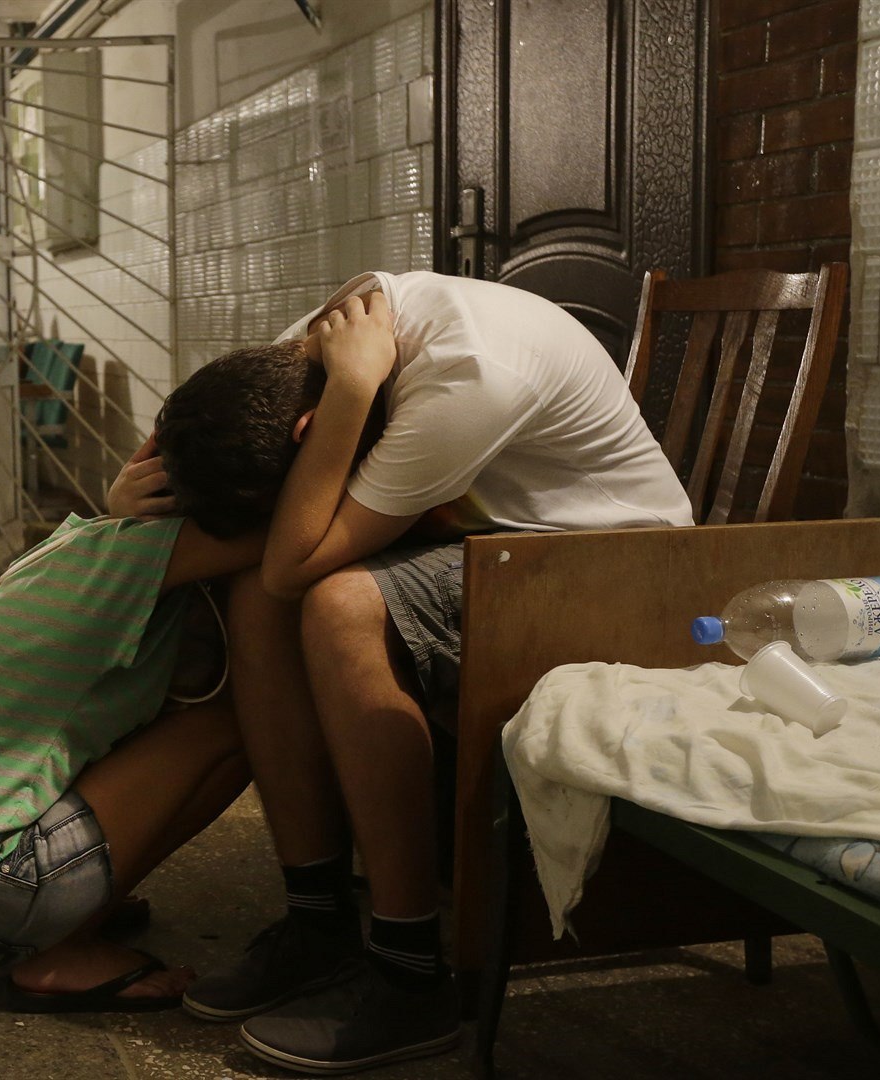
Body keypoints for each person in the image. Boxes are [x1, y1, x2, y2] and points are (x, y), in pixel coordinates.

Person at [151, 271, 695, 1074]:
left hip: (610, 571)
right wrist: (128, 495)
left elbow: (294, 564)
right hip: (493, 538)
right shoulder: (314, 347)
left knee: (336, 603)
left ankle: (410, 974)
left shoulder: (465, 377)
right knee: (255, 597)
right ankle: (319, 923)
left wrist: (351, 397)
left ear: (311, 426)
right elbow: (243, 518)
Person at [0, 456, 263, 1012]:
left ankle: (73, 912)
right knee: (230, 727)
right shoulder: (139, 559)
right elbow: (293, 540)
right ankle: (60, 952)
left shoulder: (80, 544)